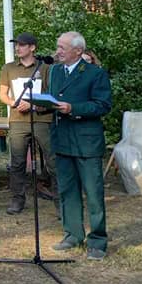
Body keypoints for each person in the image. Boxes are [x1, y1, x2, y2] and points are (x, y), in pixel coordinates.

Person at [49, 32, 112, 260]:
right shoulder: (55, 71)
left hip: (86, 141)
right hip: (62, 139)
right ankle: (73, 234)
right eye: (58, 47)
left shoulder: (95, 73)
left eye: (62, 47)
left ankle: (97, 241)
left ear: (78, 50)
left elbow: (102, 105)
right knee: (67, 191)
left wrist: (72, 108)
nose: (58, 51)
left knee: (93, 193)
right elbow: (53, 98)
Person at [0, 32, 56, 215]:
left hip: (42, 120)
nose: (18, 48)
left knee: (52, 161)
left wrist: (34, 104)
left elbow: (52, 95)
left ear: (32, 47)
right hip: (18, 120)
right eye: (16, 45)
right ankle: (17, 200)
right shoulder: (8, 68)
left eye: (22, 45)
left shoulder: (45, 68)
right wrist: (14, 103)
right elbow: (2, 95)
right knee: (17, 162)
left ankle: (61, 201)